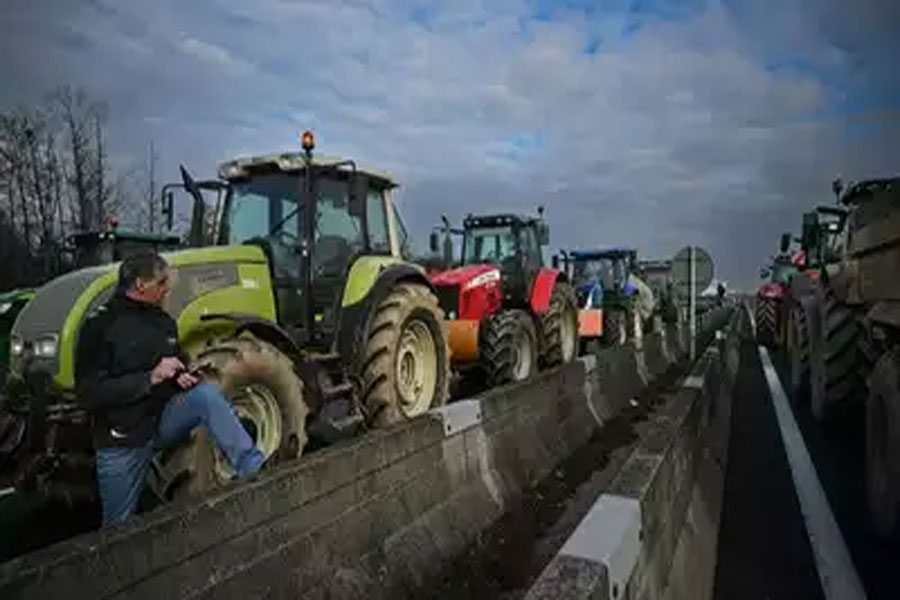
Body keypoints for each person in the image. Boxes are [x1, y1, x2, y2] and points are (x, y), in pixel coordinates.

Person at [75, 250, 265, 526]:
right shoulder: (99, 326)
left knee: (206, 396)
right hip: (123, 438)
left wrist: (181, 377)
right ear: (140, 284)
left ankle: (254, 469)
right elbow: (88, 394)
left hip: (161, 421)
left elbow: (173, 363)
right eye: (161, 283)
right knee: (117, 531)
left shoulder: (164, 322)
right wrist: (149, 378)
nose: (167, 290)